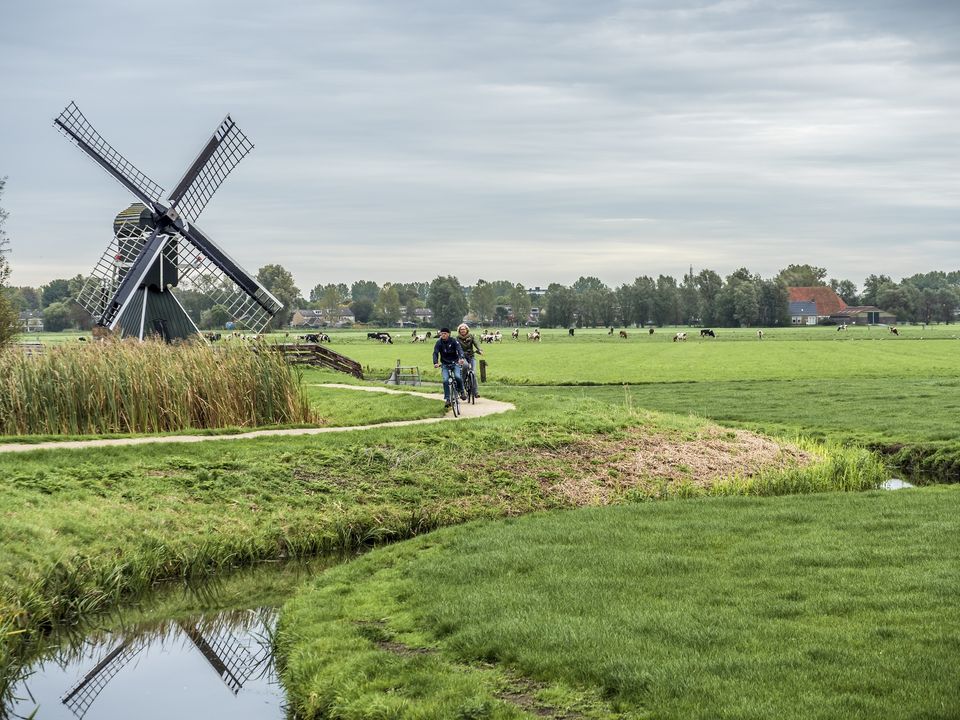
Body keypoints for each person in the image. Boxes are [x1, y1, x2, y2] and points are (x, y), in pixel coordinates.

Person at [432, 327, 466, 408]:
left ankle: (462, 392)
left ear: (449, 334)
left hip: (455, 363)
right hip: (445, 364)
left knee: (457, 376)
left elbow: (459, 349)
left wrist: (461, 358)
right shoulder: (438, 343)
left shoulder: (453, 341)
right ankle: (447, 399)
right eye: (442, 333)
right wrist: (435, 362)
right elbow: (435, 353)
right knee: (445, 380)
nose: (443, 335)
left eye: (445, 333)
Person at [455, 323, 483, 397]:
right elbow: (456, 347)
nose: (462, 331)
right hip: (462, 357)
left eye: (464, 329)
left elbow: (476, 343)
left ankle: (476, 392)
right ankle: (462, 388)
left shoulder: (471, 336)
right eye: (461, 330)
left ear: (467, 330)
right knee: (465, 366)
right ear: (459, 331)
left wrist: (479, 349)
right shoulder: (457, 338)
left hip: (471, 356)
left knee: (473, 373)